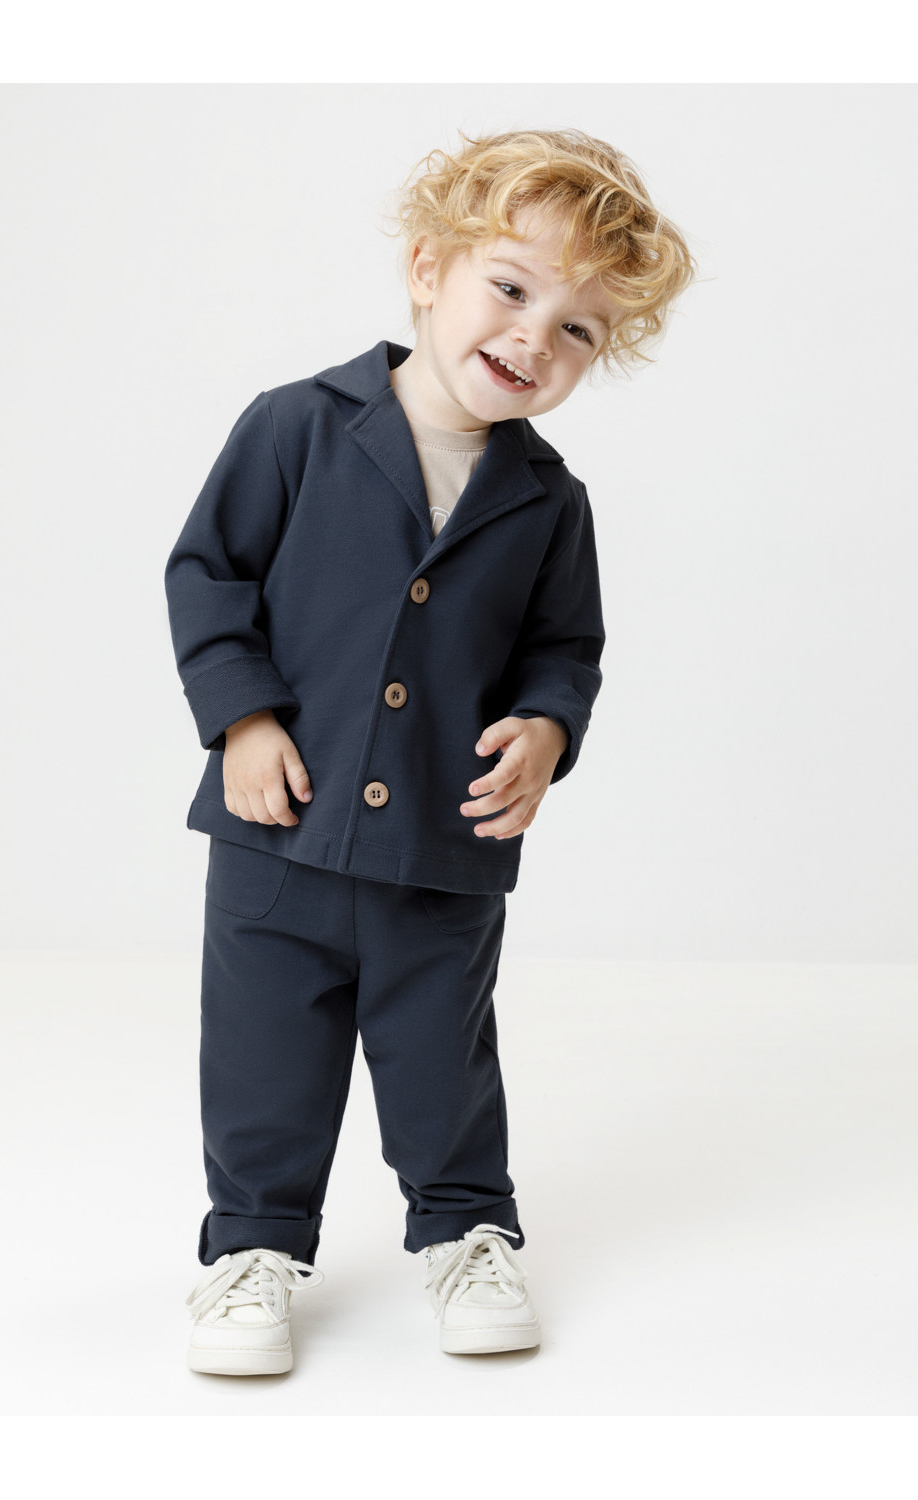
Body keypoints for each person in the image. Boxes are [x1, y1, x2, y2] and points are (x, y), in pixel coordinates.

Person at [165, 127, 696, 1376]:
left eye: (578, 329)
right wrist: (244, 718)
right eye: (510, 288)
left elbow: (565, 647)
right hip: (280, 834)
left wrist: (547, 729)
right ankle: (251, 1248)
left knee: (441, 1058)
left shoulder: (550, 501)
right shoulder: (296, 427)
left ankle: (465, 1232)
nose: (533, 338)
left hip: (439, 848)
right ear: (426, 269)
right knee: (262, 1052)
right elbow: (208, 575)